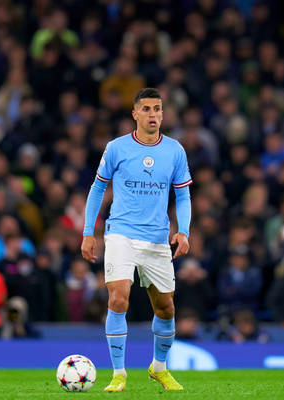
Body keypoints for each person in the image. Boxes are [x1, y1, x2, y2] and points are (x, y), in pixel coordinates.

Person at [81, 88, 192, 391]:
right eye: (146, 109)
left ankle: (159, 367)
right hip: (121, 234)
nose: (153, 114)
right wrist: (88, 233)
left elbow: (182, 194)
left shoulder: (175, 150)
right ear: (135, 114)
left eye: (157, 109)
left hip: (157, 239)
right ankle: (119, 374)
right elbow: (96, 189)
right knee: (118, 297)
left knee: (166, 308)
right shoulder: (116, 148)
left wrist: (184, 230)